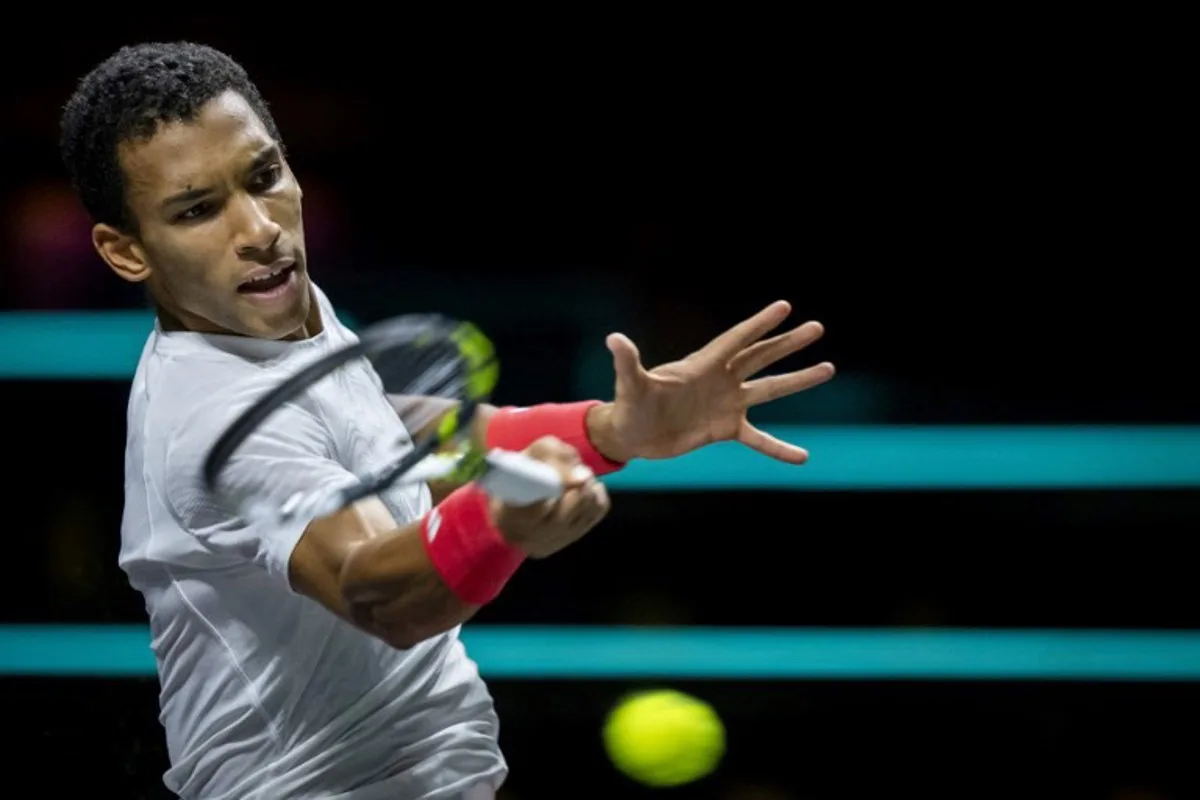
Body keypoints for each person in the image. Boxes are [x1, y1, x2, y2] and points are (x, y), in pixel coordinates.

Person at [59, 41, 835, 800]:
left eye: (264, 177)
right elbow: (375, 594)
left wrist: (604, 433)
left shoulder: (264, 306)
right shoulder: (217, 417)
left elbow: (378, 430)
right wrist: (498, 523)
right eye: (197, 210)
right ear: (127, 251)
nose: (257, 227)